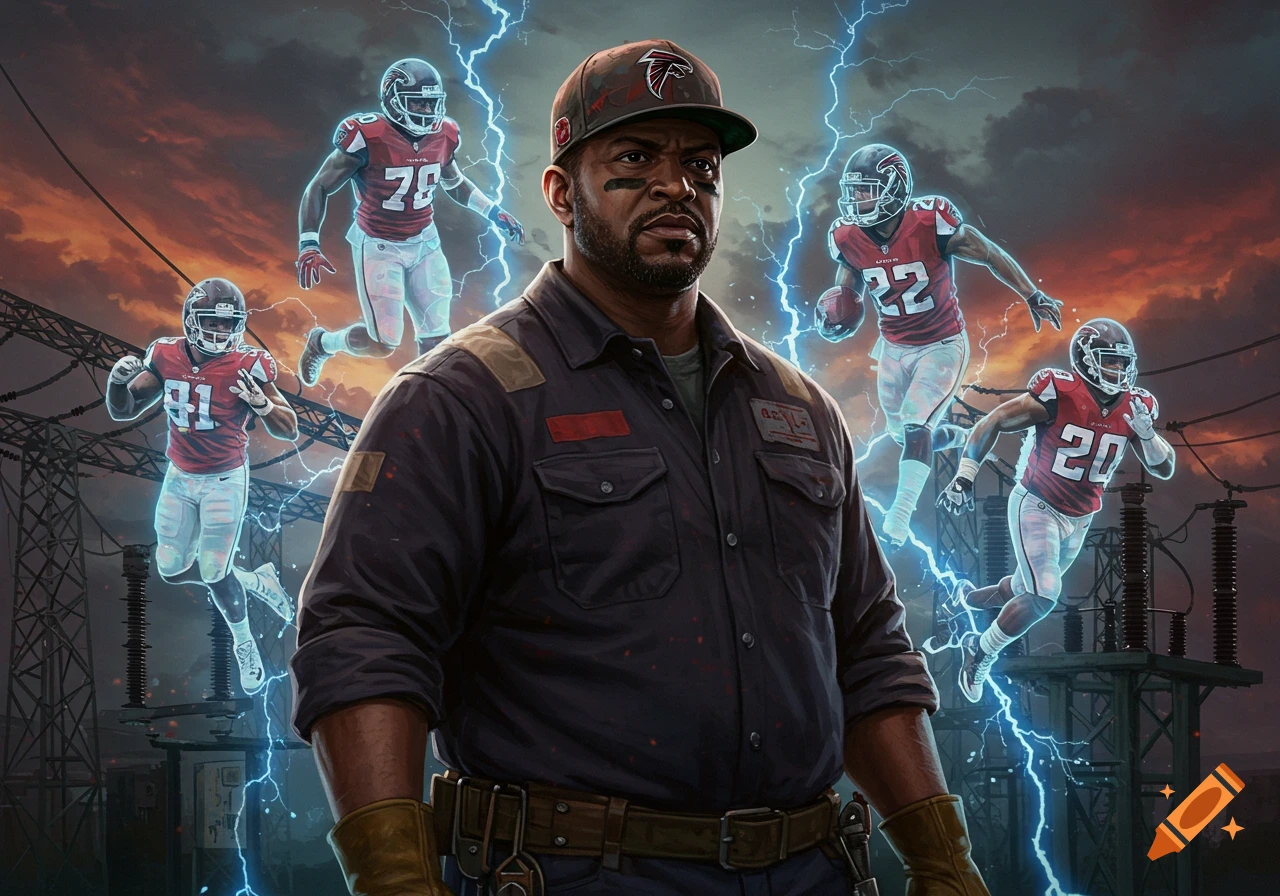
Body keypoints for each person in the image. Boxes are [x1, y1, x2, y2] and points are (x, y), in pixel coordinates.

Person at [292, 40, 989, 896]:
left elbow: (867, 645)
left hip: (814, 874)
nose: (676, 185)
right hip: (574, 876)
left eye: (701, 164)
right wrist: (394, 877)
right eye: (633, 157)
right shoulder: (461, 396)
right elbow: (364, 638)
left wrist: (941, 859)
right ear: (559, 192)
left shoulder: (800, 409)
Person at [815, 143, 1064, 546]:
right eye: (854, 189)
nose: (857, 199)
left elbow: (989, 253)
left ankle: (899, 518)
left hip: (941, 343)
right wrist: (837, 311)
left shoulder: (930, 222)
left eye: (867, 189)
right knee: (903, 435)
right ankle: (958, 436)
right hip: (893, 346)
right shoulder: (847, 236)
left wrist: (1031, 293)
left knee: (916, 423)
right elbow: (850, 284)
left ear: (895, 187)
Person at [937, 318, 1174, 702]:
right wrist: (965, 476)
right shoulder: (1059, 392)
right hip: (1038, 503)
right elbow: (993, 420)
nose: (1117, 369)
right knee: (1044, 594)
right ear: (1086, 358)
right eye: (1109, 361)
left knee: (1021, 588)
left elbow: (1163, 468)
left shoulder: (1137, 406)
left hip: (1081, 515)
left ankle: (963, 600)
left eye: (1121, 362)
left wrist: (1148, 437)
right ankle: (982, 649)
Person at [106, 278, 299, 694]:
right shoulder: (165, 355)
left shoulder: (249, 364)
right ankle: (255, 581)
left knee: (213, 569)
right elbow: (123, 411)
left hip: (225, 478)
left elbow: (289, 428)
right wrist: (115, 383)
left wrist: (264, 405)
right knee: (171, 571)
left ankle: (243, 643)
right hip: (178, 476)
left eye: (227, 326)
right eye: (210, 323)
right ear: (191, 320)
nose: (218, 333)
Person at [294, 57, 526, 387]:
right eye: (417, 101)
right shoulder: (366, 135)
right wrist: (308, 242)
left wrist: (492, 211)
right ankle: (322, 343)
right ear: (392, 99)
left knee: (436, 338)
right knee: (383, 344)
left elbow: (454, 183)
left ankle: (429, 404)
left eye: (432, 102)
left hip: (425, 241)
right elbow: (319, 185)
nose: (426, 110)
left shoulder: (445, 133)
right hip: (378, 244)